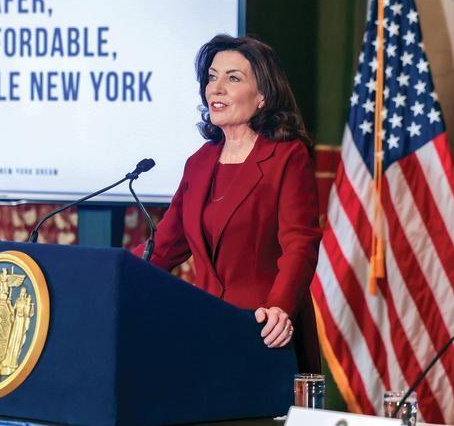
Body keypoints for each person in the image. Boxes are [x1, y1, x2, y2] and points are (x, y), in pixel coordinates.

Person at [134, 34, 322, 372]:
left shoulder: (286, 157)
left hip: (266, 331)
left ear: (263, 96)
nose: (215, 88)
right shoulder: (199, 163)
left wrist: (279, 309)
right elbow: (161, 249)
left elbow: (300, 244)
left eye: (233, 78)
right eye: (212, 77)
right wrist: (113, 276)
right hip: (207, 333)